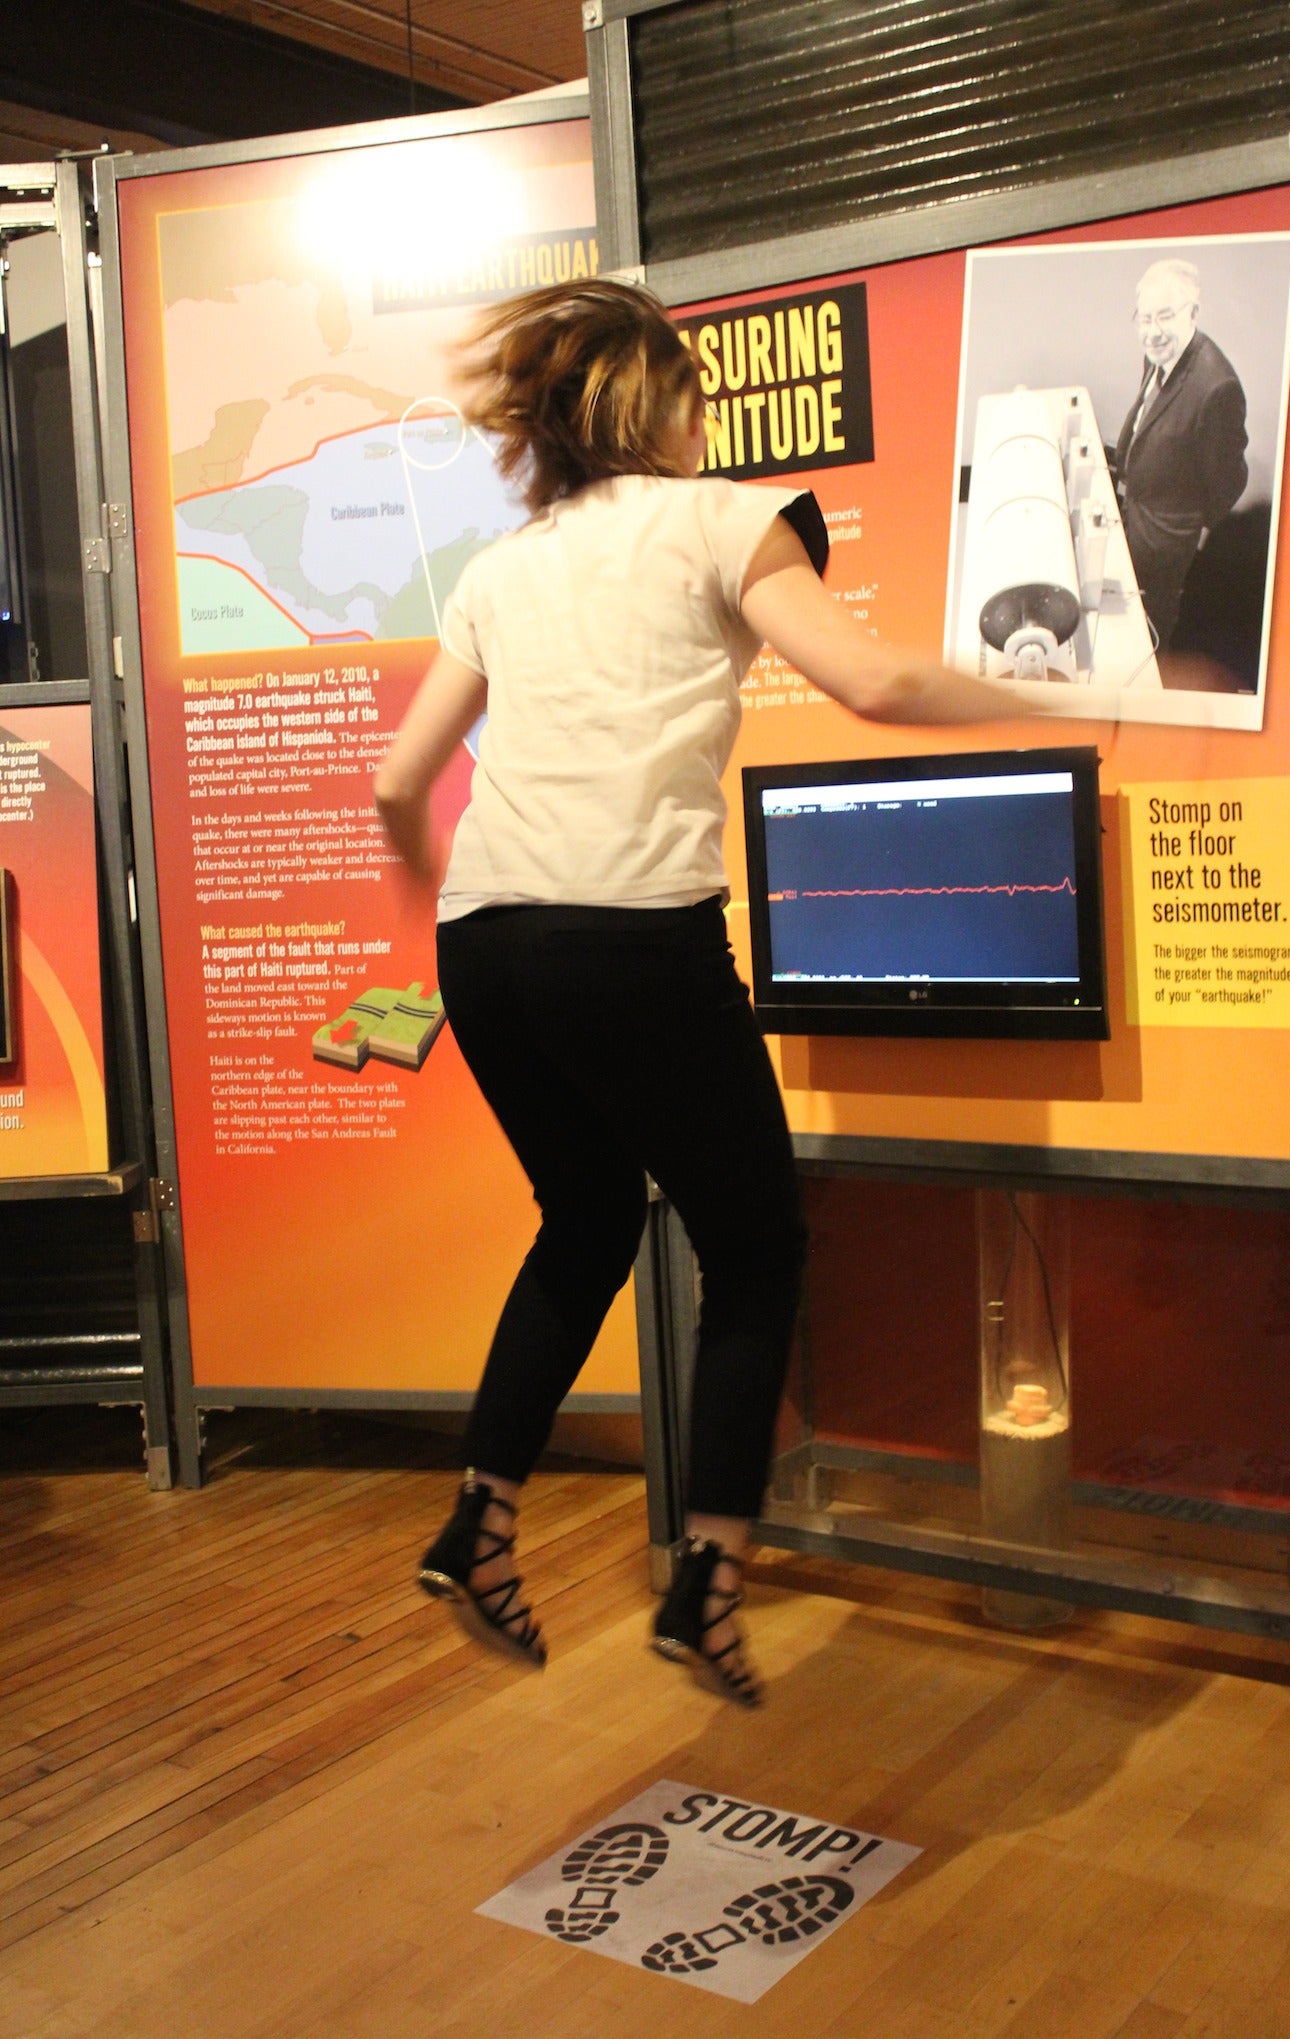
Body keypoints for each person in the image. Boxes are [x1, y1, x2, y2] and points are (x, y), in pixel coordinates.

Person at [374, 279, 1024, 1707]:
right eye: (697, 394)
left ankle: (481, 1519)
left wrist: (458, 902)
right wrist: (1055, 699)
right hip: (632, 935)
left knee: (590, 1214)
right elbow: (878, 681)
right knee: (756, 1245)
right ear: (655, 404)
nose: (708, 417)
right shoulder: (730, 515)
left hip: (487, 939)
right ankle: (709, 1583)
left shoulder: (507, 564)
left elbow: (395, 781)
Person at [1113, 258, 1248, 655]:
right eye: (1144, 318)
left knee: (1140, 649)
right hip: (1135, 514)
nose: (1152, 333)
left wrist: (1188, 540)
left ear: (1193, 313)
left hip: (1164, 549)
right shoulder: (1158, 354)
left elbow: (1226, 483)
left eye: (1165, 317)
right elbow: (1152, 423)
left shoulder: (1217, 388)